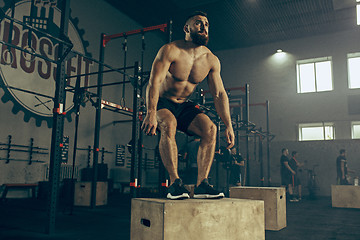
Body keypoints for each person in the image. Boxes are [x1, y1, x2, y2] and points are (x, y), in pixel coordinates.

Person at [141, 11, 235, 200]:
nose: (204, 27)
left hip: (184, 104)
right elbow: (154, 82)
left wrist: (229, 125)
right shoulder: (170, 50)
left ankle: (202, 185)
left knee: (210, 129)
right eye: (198, 23)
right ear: (187, 28)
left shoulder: (211, 60)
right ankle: (175, 183)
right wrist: (150, 112)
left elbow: (219, 94)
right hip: (162, 100)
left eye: (206, 24)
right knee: (169, 123)